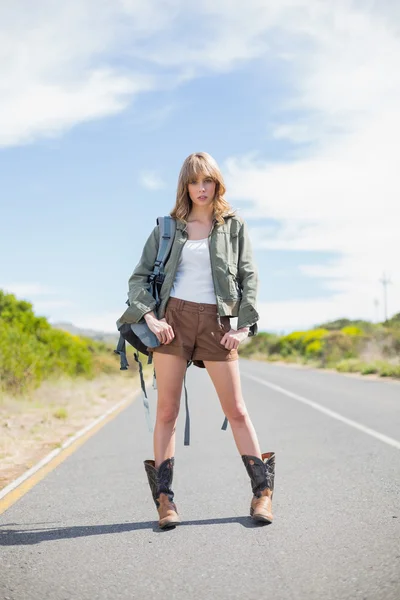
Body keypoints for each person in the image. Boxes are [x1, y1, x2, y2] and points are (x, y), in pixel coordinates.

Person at [123, 152, 275, 529]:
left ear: (217, 183)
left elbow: (249, 275)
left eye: (207, 181)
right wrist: (151, 318)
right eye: (194, 182)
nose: (201, 188)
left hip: (216, 323)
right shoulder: (168, 227)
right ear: (185, 186)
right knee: (167, 413)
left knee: (236, 410)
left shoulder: (233, 225)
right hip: (172, 322)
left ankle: (262, 493)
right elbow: (138, 279)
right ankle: (165, 501)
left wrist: (244, 325)